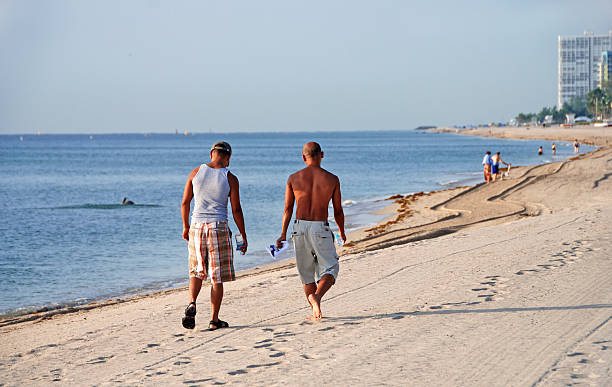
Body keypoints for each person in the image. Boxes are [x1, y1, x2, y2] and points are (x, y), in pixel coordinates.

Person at [180, 141, 247, 330]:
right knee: (217, 277)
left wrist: (185, 226)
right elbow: (236, 210)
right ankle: (214, 320)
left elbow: (185, 203)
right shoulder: (230, 178)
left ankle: (192, 303)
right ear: (228, 157)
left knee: (196, 270)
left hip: (197, 226)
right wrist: (243, 233)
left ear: (211, 154)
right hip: (218, 227)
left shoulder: (195, 173)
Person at [276, 142, 346, 320]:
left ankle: (315, 310)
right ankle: (317, 297)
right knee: (331, 267)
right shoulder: (332, 179)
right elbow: (338, 210)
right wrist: (342, 231)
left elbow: (287, 209)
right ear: (322, 155)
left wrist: (283, 233)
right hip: (320, 227)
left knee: (306, 274)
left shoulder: (293, 178)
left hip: (299, 227)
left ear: (303, 157)